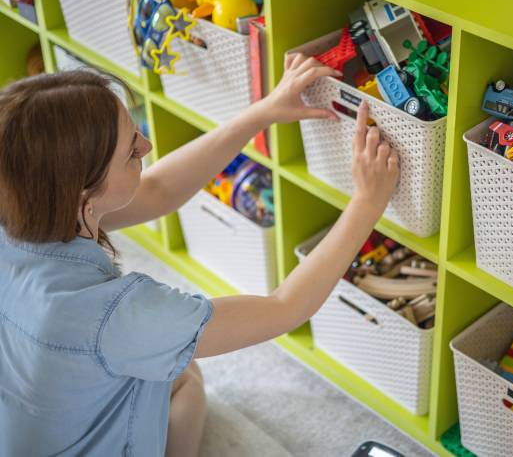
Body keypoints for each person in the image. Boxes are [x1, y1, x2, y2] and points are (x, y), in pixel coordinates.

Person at [0, 53, 400, 457]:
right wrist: (367, 202)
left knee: (173, 370)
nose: (147, 144)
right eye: (131, 152)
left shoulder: (27, 208)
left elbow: (159, 191)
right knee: (187, 382)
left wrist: (260, 114)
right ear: (84, 194)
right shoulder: (113, 318)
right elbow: (285, 308)